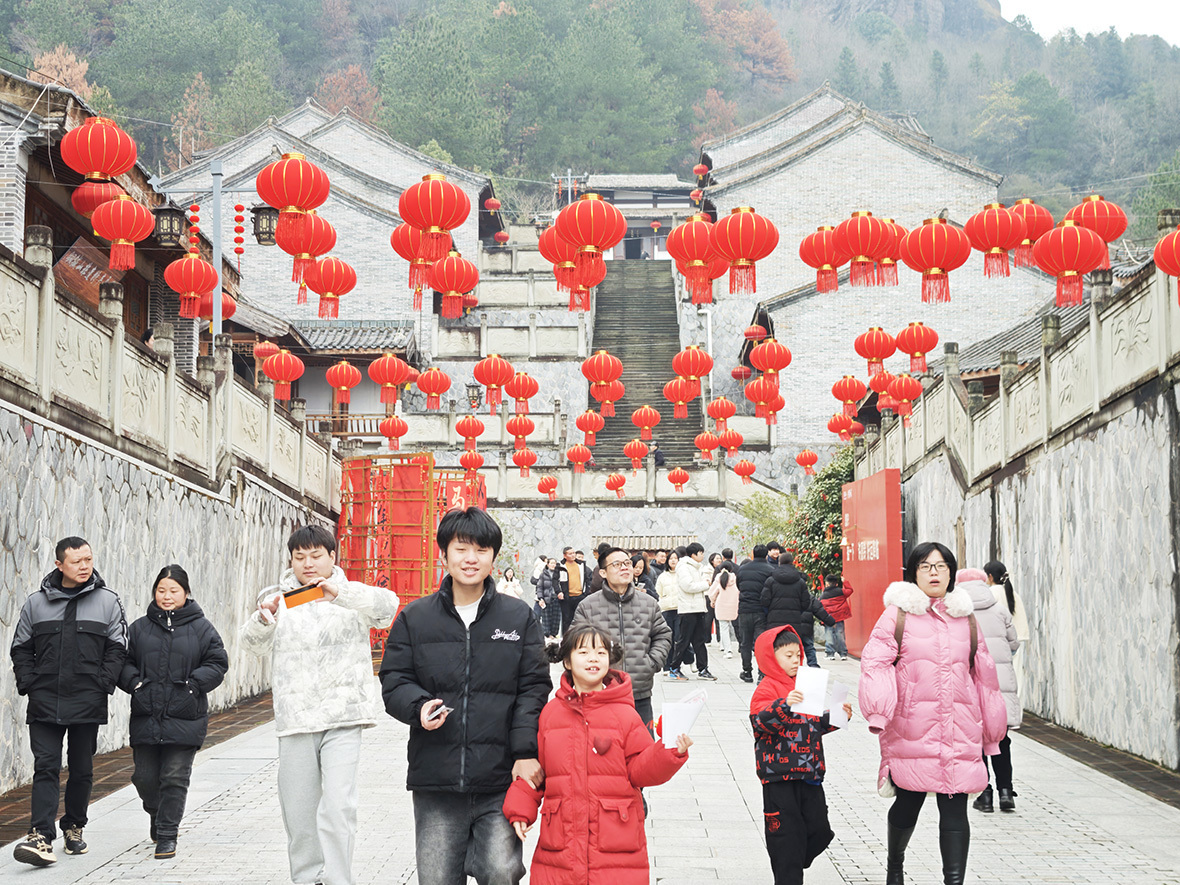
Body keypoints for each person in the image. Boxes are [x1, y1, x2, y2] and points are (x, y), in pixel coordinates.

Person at [379, 507, 551, 885]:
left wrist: (525, 753)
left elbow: (533, 688)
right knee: (438, 878)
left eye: (481, 550)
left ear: (493, 557)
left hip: (500, 777)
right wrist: (417, 706)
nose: (470, 559)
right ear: (444, 555)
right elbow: (394, 678)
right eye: (461, 549)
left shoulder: (517, 617)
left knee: (502, 871)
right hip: (436, 780)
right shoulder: (416, 617)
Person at [240, 524, 399, 885]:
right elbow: (252, 646)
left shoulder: (348, 595)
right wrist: (265, 619)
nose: (307, 564)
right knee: (298, 811)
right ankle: (307, 878)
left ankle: (339, 879)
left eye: (316, 556)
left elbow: (387, 608)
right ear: (291, 560)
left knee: (339, 806)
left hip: (344, 716)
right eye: (299, 557)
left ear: (332, 557)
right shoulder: (278, 599)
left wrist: (340, 593)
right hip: (296, 719)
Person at [858, 542, 1007, 885]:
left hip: (960, 728)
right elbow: (875, 664)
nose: (935, 572)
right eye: (926, 566)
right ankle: (895, 866)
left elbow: (985, 677)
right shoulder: (897, 615)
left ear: (952, 573)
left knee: (955, 811)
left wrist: (993, 732)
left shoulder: (965, 618)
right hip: (913, 728)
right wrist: (879, 711)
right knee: (907, 804)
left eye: (941, 566)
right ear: (914, 574)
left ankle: (953, 882)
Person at [501, 625, 691, 884]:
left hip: (616, 846)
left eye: (601, 652)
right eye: (584, 652)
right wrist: (520, 810)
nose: (594, 658)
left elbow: (639, 771)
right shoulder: (551, 714)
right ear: (566, 660)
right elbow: (538, 772)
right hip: (561, 845)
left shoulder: (625, 714)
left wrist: (669, 752)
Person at [10, 537, 128, 867]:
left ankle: (74, 827)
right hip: (45, 699)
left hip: (87, 700)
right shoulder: (36, 603)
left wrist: (103, 682)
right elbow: (20, 648)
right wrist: (29, 682)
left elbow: (118, 647)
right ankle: (40, 836)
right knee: (45, 767)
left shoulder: (107, 601)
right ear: (60, 565)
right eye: (77, 561)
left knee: (82, 768)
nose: (84, 566)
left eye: (88, 559)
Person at [118, 565, 228, 859]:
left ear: (186, 593)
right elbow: (122, 662)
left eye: (173, 590)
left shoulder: (202, 628)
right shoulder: (139, 628)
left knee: (175, 777)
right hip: (146, 714)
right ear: (154, 592)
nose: (167, 596)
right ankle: (158, 813)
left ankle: (167, 834)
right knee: (144, 778)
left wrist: (193, 686)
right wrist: (135, 684)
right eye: (161, 590)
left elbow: (217, 662)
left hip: (186, 715)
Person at [751, 625, 853, 885]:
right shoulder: (767, 688)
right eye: (788, 656)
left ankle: (795, 859)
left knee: (820, 831)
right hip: (779, 779)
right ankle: (789, 870)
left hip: (809, 774)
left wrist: (837, 717)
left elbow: (812, 725)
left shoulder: (806, 685)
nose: (796, 660)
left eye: (798, 655)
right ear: (771, 657)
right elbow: (760, 723)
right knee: (785, 839)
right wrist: (785, 705)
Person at [572, 547, 673, 733]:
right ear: (603, 572)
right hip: (600, 695)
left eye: (627, 563)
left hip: (639, 694)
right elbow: (574, 645)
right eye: (616, 564)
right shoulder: (588, 606)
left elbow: (663, 634)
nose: (625, 568)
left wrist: (651, 663)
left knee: (644, 754)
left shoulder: (648, 603)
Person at [963, 565, 1021, 814]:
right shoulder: (999, 610)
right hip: (1000, 686)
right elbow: (1014, 643)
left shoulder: (958, 613)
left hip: (971, 686)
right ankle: (1006, 792)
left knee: (976, 741)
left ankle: (984, 794)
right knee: (1000, 739)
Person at [761, 553, 834, 668]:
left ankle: (776, 672)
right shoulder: (800, 582)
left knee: (777, 648)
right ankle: (793, 675)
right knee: (792, 649)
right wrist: (797, 611)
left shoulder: (771, 580)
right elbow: (806, 603)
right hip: (794, 622)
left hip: (774, 622)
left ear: (779, 563)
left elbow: (764, 601)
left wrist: (771, 613)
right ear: (792, 562)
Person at [669, 543, 716, 681]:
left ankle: (703, 669)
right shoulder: (684, 566)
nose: (702, 555)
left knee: (699, 641)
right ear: (693, 554)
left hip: (698, 608)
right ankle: (674, 668)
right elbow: (687, 586)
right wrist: (705, 584)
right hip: (688, 610)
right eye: (701, 553)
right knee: (684, 640)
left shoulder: (697, 567)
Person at [735, 545, 775, 682]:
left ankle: (747, 672)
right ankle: (761, 673)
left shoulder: (742, 569)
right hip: (761, 611)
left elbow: (739, 586)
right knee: (761, 643)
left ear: (753, 554)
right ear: (766, 555)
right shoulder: (770, 570)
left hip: (744, 609)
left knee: (745, 643)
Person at [656, 551, 681, 677]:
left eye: (675, 558)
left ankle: (676, 665)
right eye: (670, 558)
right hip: (666, 609)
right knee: (668, 638)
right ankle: (666, 666)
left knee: (678, 639)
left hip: (680, 609)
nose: (673, 561)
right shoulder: (662, 576)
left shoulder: (682, 575)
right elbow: (658, 592)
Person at [556, 546, 593, 634]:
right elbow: (555, 580)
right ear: (565, 556)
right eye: (570, 554)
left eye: (574, 553)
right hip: (567, 597)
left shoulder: (581, 565)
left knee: (580, 619)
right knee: (566, 620)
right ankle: (566, 639)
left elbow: (588, 579)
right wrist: (559, 591)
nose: (573, 555)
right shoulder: (561, 566)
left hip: (580, 596)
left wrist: (586, 592)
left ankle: (578, 638)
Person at [708, 564, 739, 659]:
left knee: (723, 628)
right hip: (734, 605)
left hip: (721, 606)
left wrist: (713, 601)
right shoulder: (735, 578)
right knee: (732, 626)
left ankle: (727, 649)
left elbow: (712, 593)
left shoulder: (718, 578)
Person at [819, 575, 854, 661]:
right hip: (840, 617)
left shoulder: (823, 595)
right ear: (836, 583)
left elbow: (820, 608)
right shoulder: (841, 591)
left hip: (829, 619)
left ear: (827, 583)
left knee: (829, 635)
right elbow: (850, 590)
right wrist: (845, 582)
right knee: (840, 634)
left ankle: (830, 653)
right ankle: (843, 653)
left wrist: (822, 620)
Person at [532, 557, 562, 638]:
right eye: (551, 563)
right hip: (546, 598)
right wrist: (540, 598)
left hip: (556, 598)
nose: (553, 565)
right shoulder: (543, 574)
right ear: (548, 564)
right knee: (546, 617)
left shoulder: (559, 574)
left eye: (554, 563)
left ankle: (554, 633)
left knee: (556, 617)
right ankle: (547, 634)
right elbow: (539, 587)